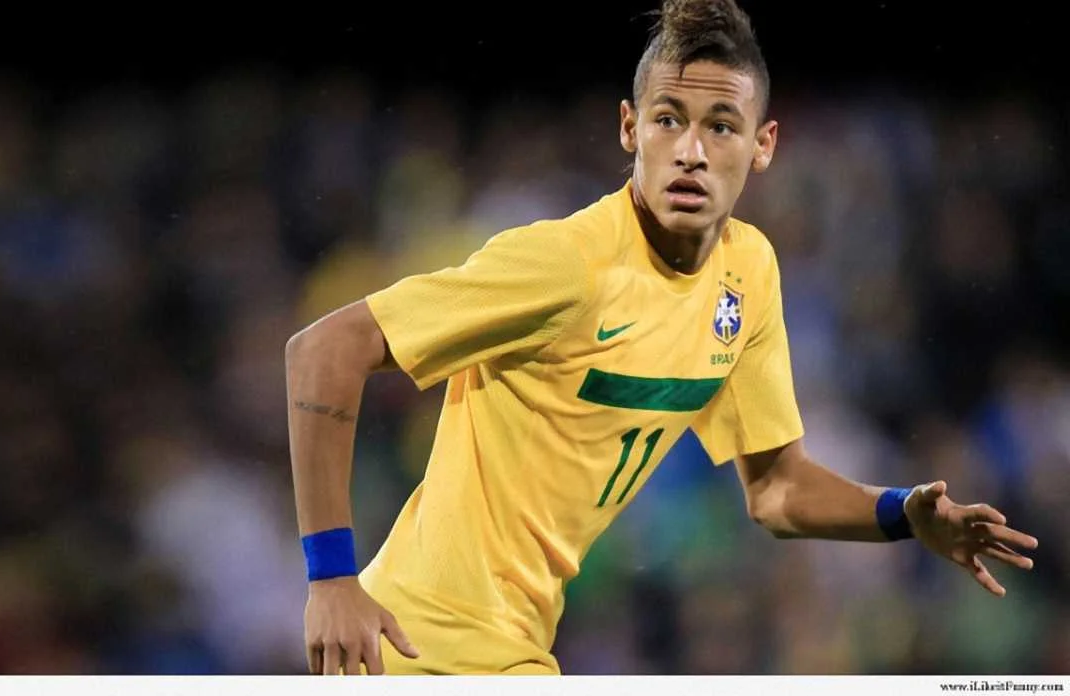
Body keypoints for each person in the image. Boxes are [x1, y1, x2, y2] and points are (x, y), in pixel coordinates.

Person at [284, 0, 1039, 676]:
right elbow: (321, 351)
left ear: (764, 144)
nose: (691, 151)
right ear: (630, 128)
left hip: (513, 648)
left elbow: (776, 491)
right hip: (423, 648)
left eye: (721, 126)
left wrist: (903, 514)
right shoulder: (566, 264)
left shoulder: (748, 273)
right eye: (668, 119)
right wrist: (331, 578)